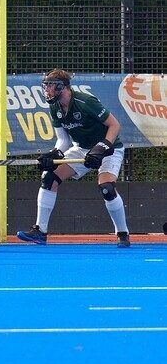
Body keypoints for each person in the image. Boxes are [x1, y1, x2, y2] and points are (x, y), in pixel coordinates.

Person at [17, 69, 130, 248]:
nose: (47, 90)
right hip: (82, 148)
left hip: (109, 147)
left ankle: (122, 233)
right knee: (49, 177)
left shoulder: (85, 101)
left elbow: (115, 125)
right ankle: (40, 231)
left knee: (107, 188)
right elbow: (63, 140)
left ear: (62, 87)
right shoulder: (54, 107)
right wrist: (54, 154)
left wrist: (101, 148)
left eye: (50, 86)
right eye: (45, 86)